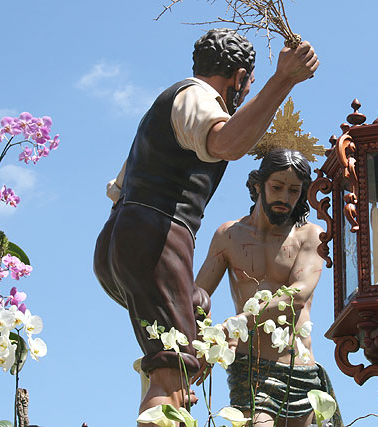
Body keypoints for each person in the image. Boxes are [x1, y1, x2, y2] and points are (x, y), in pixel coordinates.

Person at [93, 29, 319, 425]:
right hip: (157, 235)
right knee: (171, 372)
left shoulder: (161, 112)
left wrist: (193, 301)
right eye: (247, 86)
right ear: (240, 77)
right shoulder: (195, 96)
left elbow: (119, 190)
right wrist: (284, 78)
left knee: (183, 347)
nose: (244, 97)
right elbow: (226, 143)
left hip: (122, 241)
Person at [195, 149, 342, 427]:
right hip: (249, 366)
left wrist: (239, 322)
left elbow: (297, 295)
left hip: (297, 365)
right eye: (277, 187)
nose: (284, 198)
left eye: (294, 191)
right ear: (257, 185)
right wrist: (201, 345)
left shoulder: (310, 236)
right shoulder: (229, 236)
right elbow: (197, 298)